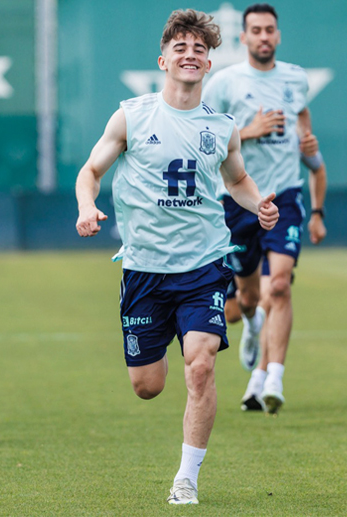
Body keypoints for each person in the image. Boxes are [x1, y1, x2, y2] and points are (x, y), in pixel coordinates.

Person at [75, 9, 278, 505]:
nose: (190, 55)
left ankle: (186, 478)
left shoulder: (222, 127)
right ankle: (161, 346)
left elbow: (237, 180)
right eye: (180, 48)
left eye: (199, 49)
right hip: (144, 268)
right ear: (163, 60)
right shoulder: (131, 116)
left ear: (208, 63)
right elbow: (91, 172)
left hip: (203, 265)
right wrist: (86, 206)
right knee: (147, 386)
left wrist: (259, 203)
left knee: (201, 366)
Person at [202, 2, 328, 415]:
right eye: (255, 30)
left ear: (278, 35)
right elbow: (205, 137)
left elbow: (302, 117)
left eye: (269, 29)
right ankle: (254, 326)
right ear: (243, 37)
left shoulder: (295, 78)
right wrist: (248, 131)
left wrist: (307, 139)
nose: (263, 36)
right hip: (239, 201)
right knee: (247, 299)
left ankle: (273, 377)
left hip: (284, 195)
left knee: (280, 286)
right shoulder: (224, 83)